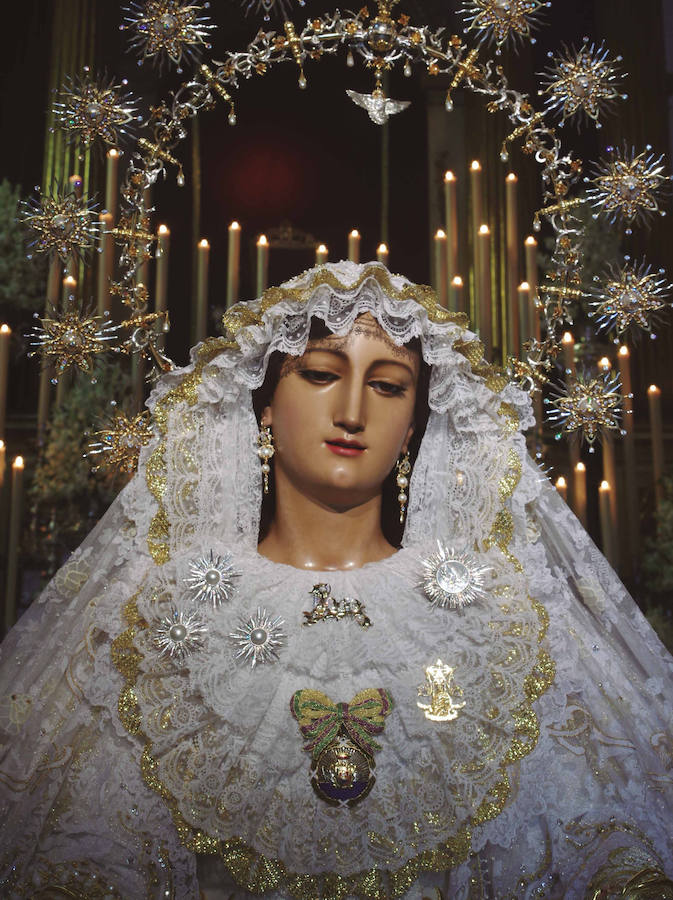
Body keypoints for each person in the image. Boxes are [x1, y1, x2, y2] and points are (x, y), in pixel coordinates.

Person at [1, 260, 672, 899]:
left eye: (386, 386)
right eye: (320, 374)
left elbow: (580, 840)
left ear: (412, 426)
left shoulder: (490, 619)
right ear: (264, 405)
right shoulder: (170, 616)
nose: (352, 410)